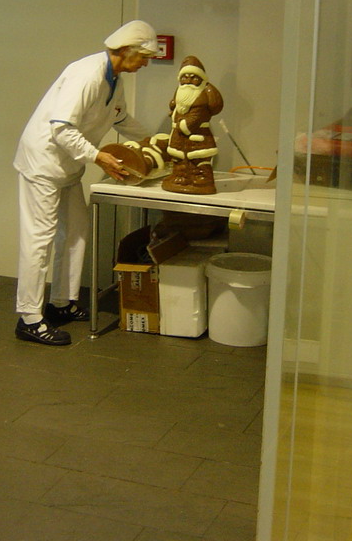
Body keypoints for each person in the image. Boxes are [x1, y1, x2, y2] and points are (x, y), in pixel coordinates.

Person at [12, 19, 158, 345]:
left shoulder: (114, 78)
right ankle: (29, 318)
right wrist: (99, 157)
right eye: (144, 56)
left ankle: (61, 303)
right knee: (39, 240)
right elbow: (61, 127)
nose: (146, 63)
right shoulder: (88, 74)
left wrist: (154, 140)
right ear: (126, 50)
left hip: (67, 167)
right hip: (43, 164)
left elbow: (119, 117)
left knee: (76, 232)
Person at [162, 55, 224, 195]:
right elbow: (176, 108)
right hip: (179, 138)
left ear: (201, 80)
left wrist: (184, 125)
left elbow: (197, 117)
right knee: (179, 161)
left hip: (198, 138)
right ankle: (181, 177)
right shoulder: (180, 93)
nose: (188, 81)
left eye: (194, 78)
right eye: (185, 77)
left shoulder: (202, 97)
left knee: (198, 161)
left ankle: (201, 179)